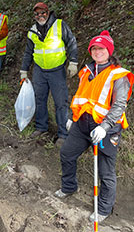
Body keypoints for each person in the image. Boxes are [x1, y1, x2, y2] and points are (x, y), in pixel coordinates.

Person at [54, 30, 134, 223]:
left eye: (102, 48)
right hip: (82, 125)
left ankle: (104, 209)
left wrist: (104, 127)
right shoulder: (87, 72)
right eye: (95, 48)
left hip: (106, 129)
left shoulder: (118, 75)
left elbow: (119, 105)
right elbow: (82, 98)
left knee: (105, 172)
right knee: (67, 153)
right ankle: (69, 187)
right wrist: (73, 118)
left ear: (109, 50)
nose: (98, 52)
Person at [20, 2, 78, 144]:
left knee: (61, 102)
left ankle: (63, 134)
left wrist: (73, 62)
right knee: (39, 99)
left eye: (43, 13)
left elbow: (71, 42)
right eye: (37, 14)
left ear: (48, 12)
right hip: (39, 70)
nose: (40, 16)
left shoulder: (59, 25)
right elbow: (28, 52)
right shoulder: (32, 31)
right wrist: (24, 70)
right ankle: (41, 127)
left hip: (57, 70)